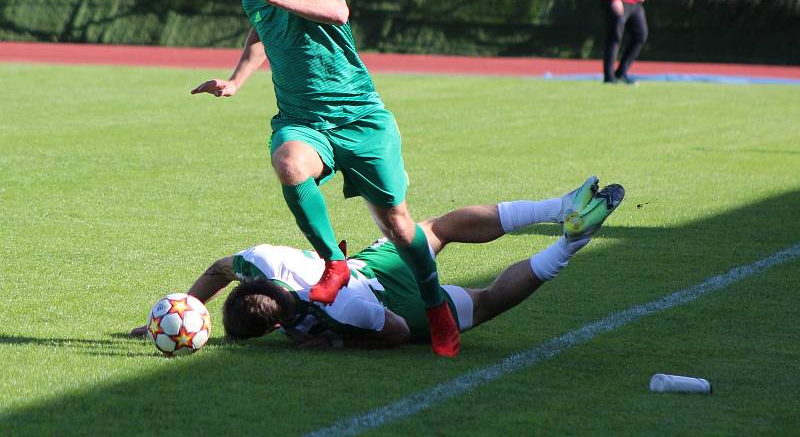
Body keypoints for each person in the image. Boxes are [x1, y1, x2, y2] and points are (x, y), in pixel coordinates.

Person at [189, 0, 459, 355]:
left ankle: (435, 306)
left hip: (360, 119)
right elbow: (260, 32)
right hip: (303, 121)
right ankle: (334, 261)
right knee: (289, 163)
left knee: (398, 225)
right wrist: (236, 80)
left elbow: (337, 11)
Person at [132, 178, 626, 350]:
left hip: (383, 302)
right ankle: (559, 207)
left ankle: (567, 243)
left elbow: (389, 333)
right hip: (368, 269)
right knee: (438, 227)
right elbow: (223, 267)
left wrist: (339, 344)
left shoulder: (341, 314)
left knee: (489, 300)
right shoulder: (265, 260)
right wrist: (186, 306)